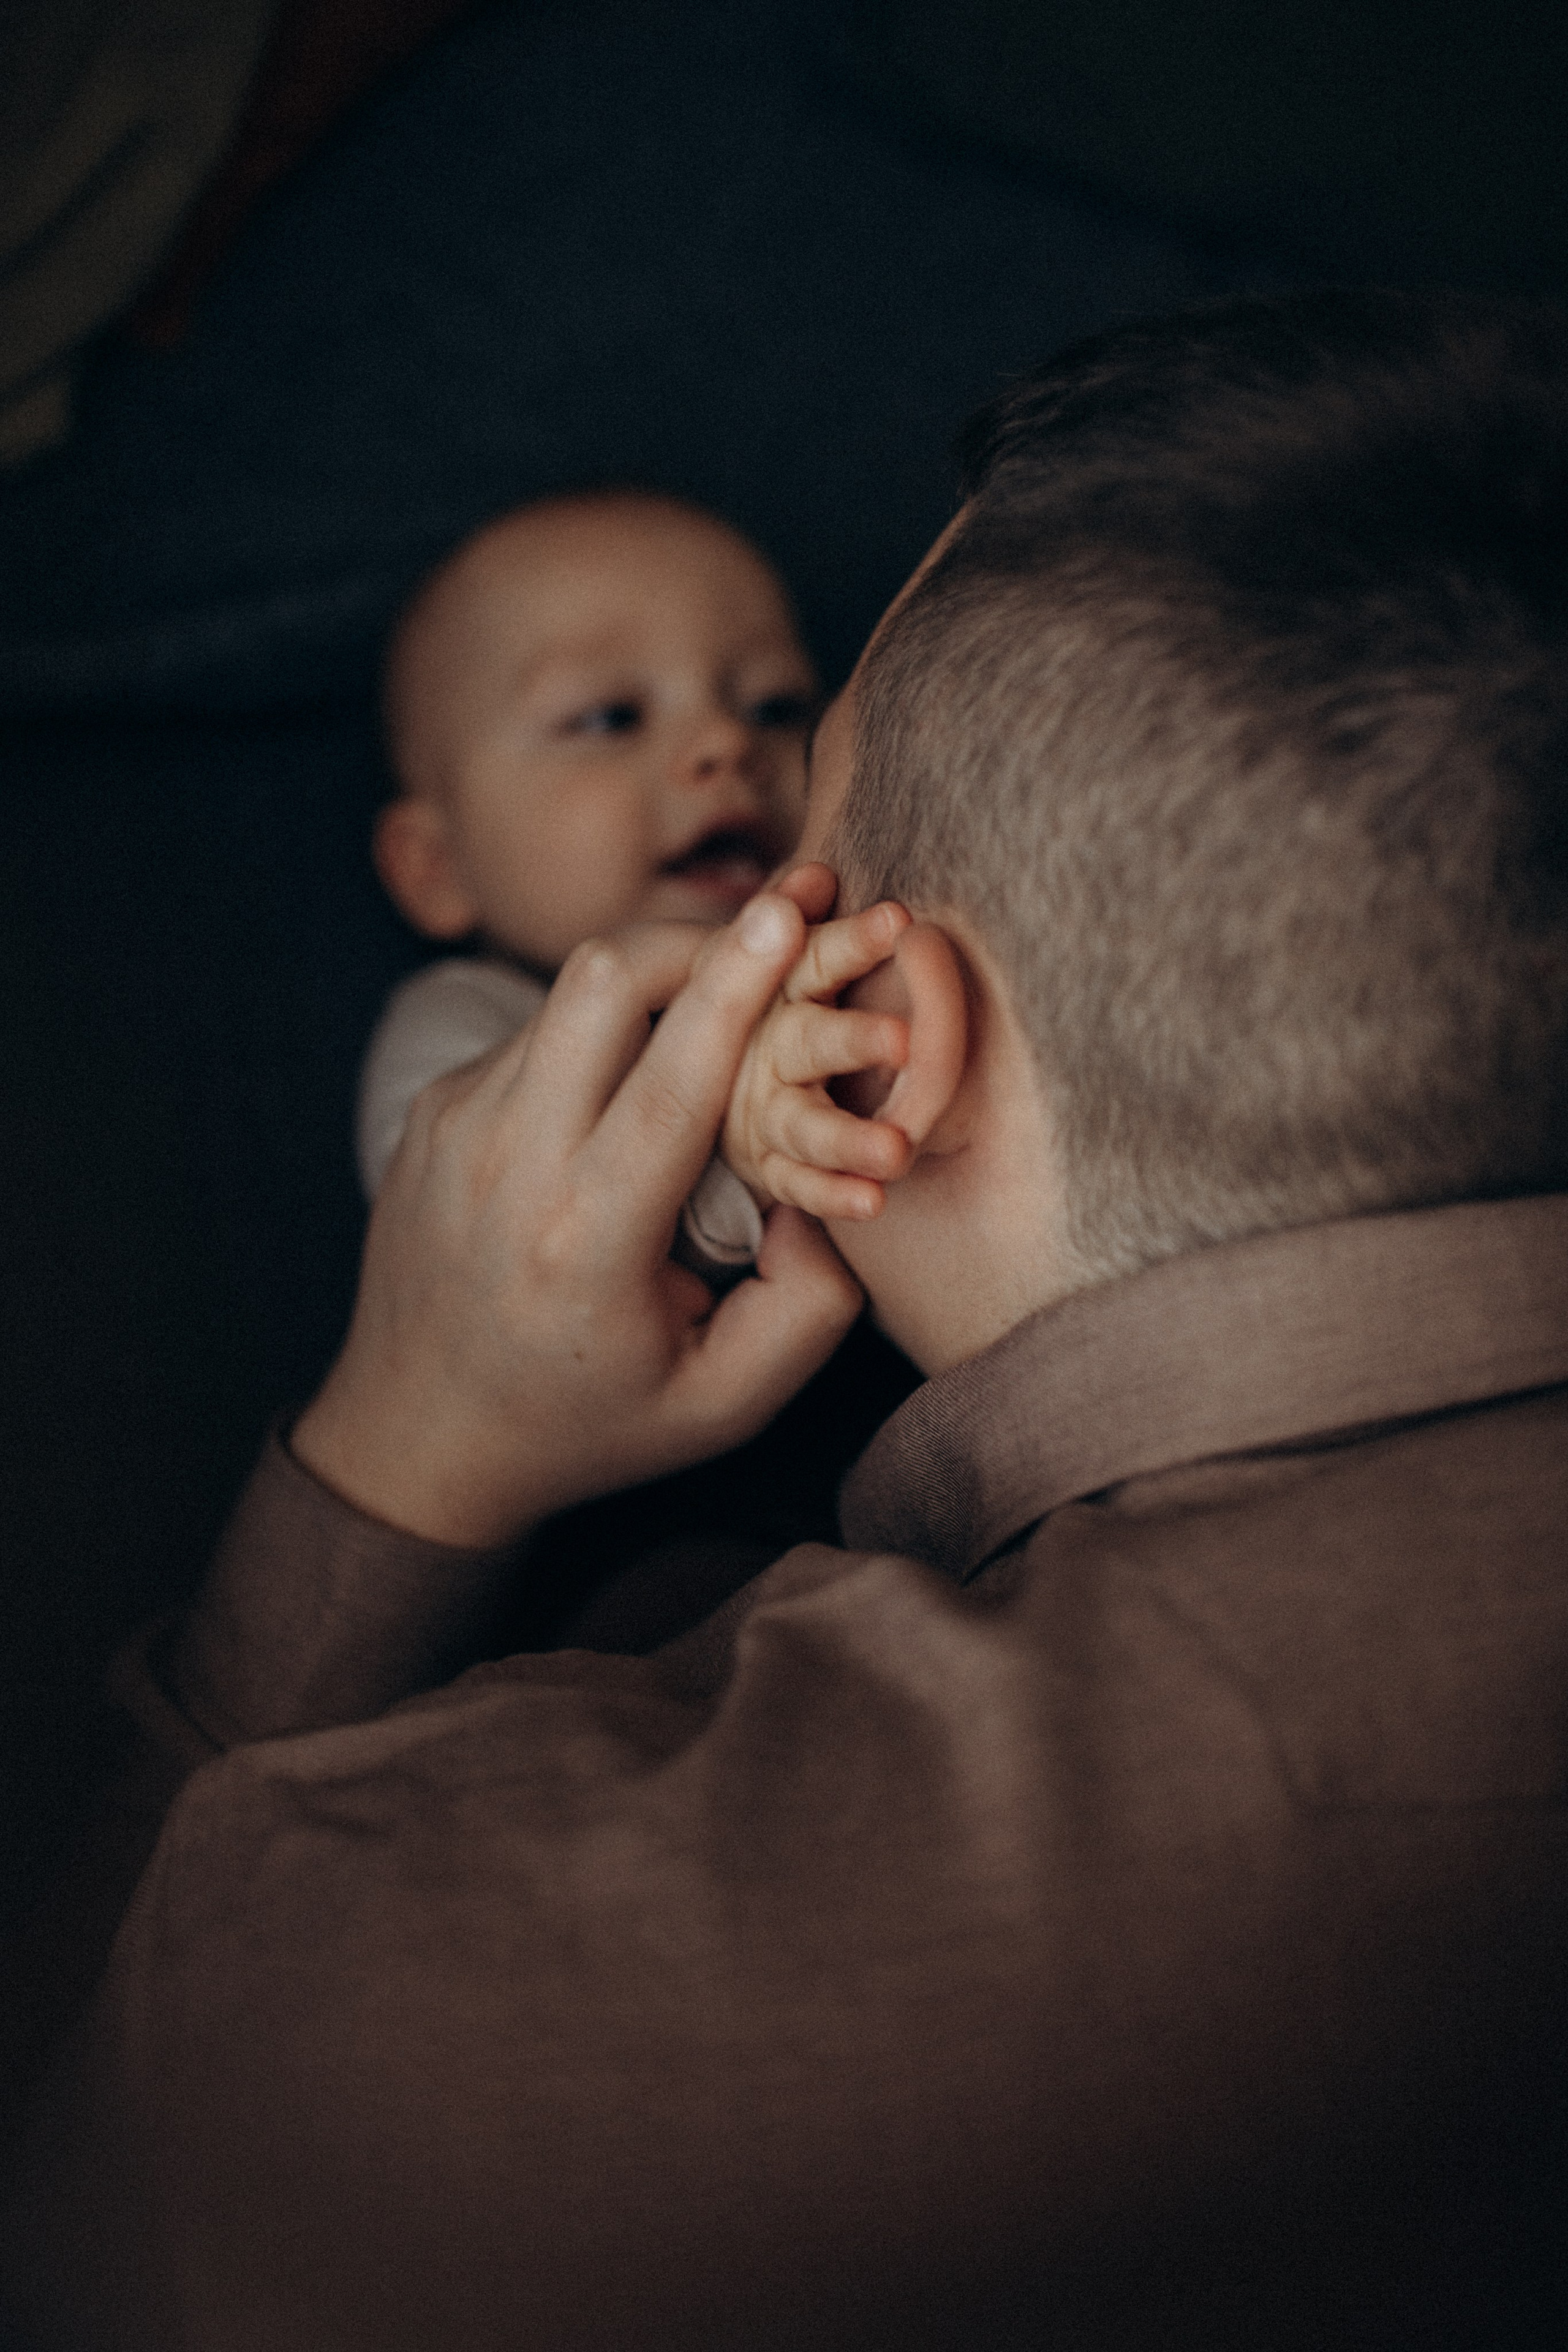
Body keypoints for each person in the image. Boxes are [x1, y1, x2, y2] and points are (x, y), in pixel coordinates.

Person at [6, 287, 1568, 2349]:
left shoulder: (384, 2047)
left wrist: (411, 1447)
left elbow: (70, 2168)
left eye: (791, 743)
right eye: (609, 717)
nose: (724, 765)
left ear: (885, 1044)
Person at [356, 488, 824, 1276]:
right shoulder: (465, 1028)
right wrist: (741, 1158)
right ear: (439, 867)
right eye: (612, 718)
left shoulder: (847, 956)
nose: (727, 741)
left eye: (775, 707)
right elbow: (494, 1233)